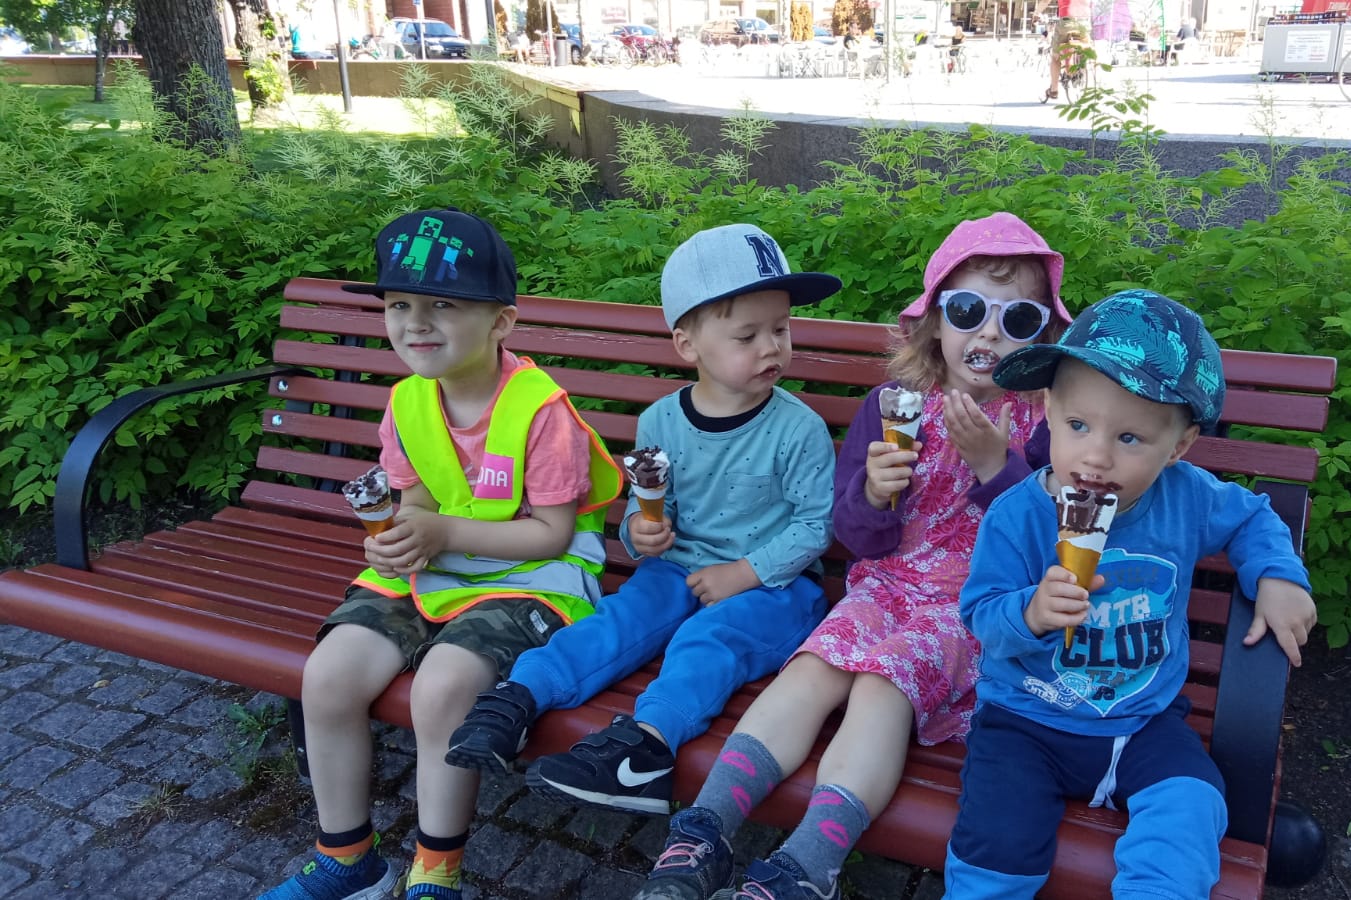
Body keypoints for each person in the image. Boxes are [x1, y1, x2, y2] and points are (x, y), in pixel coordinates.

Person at [625, 213, 1071, 900]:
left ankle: (809, 864)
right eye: (969, 311)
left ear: (1041, 334)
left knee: (880, 685)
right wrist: (873, 492)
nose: (988, 334)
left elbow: (1051, 545)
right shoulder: (895, 407)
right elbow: (859, 537)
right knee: (812, 668)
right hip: (884, 586)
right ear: (935, 321)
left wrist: (996, 467)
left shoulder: (1046, 423)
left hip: (976, 605)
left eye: (1017, 320)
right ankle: (703, 830)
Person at [259, 208, 622, 900]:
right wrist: (401, 538)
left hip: (534, 581)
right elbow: (420, 501)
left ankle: (436, 873)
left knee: (443, 688)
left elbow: (551, 535)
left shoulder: (542, 411)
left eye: (444, 306)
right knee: (328, 676)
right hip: (438, 570)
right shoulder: (407, 403)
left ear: (501, 322)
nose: (416, 324)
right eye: (400, 305)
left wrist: (442, 534)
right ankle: (348, 860)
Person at [443, 223, 840, 818]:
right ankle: (519, 697)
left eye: (780, 330)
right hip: (678, 568)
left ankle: (647, 749)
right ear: (687, 345)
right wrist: (641, 529)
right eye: (747, 335)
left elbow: (815, 525)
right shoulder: (661, 420)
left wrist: (745, 572)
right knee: (622, 617)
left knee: (708, 639)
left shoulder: (798, 428)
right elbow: (651, 502)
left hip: (776, 587)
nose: (772, 347)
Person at [945, 289, 1318, 898]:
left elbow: (1254, 516)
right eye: (1078, 426)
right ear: (1047, 412)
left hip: (1143, 722)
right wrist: (1031, 612)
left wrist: (1277, 576)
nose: (1095, 457)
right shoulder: (1017, 515)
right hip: (1025, 720)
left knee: (1193, 803)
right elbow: (981, 616)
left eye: (1130, 439)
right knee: (995, 844)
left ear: (1179, 447)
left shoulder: (1188, 497)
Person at [1043, 14, 1090, 101]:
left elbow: (1044, 4)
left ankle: (1054, 90)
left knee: (1055, 57)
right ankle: (1081, 71)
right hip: (1085, 22)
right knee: (1083, 47)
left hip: (1067, 23)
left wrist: (1036, 14)